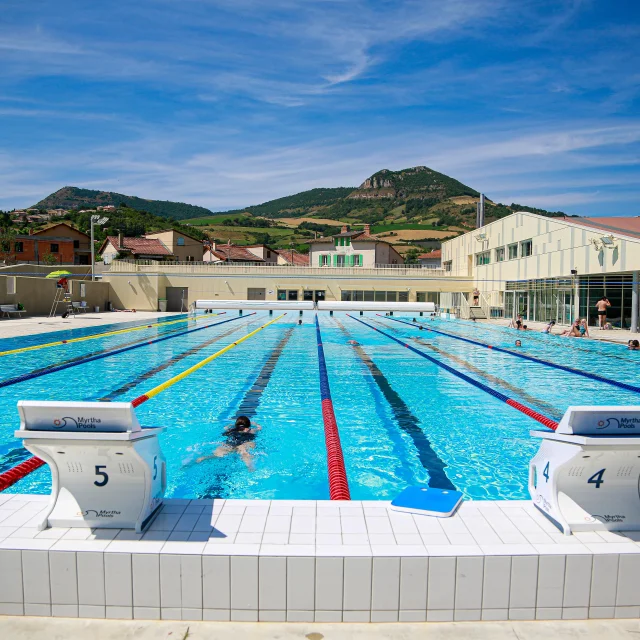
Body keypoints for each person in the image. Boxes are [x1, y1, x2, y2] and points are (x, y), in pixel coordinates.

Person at [196, 415, 261, 471]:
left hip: (231, 443)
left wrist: (232, 424)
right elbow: (259, 428)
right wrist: (255, 424)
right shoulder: (251, 430)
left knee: (216, 455)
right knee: (244, 454)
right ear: (248, 425)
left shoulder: (231, 430)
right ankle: (250, 466)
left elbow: (225, 428)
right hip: (243, 444)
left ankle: (203, 458)